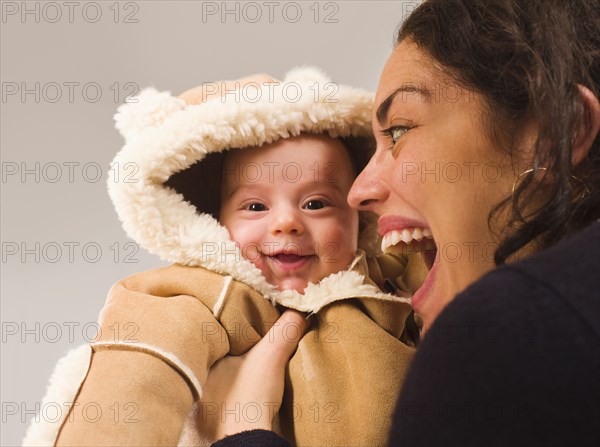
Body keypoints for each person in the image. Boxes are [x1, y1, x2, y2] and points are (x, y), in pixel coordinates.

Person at [202, 0, 600, 445]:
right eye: (255, 207)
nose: (358, 191)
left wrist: (244, 431)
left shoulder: (497, 331)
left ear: (552, 133)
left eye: (398, 131)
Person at [23, 68, 426, 446]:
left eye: (316, 203)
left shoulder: (386, 281)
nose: (287, 223)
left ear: (360, 217)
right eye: (254, 207)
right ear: (216, 223)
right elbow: (135, 376)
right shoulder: (209, 297)